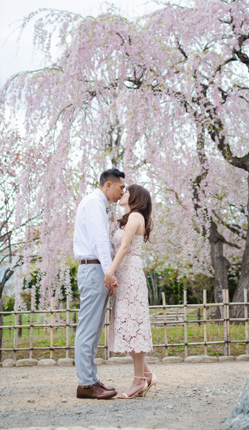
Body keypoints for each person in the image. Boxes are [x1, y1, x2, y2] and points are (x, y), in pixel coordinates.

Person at [74, 168, 125, 399]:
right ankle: (85, 384)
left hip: (94, 267)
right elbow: (99, 240)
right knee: (88, 328)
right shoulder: (94, 203)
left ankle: (91, 379)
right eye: (120, 187)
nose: (122, 191)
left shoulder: (95, 203)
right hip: (94, 267)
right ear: (108, 185)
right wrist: (109, 270)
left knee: (94, 327)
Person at [105, 184, 157, 399]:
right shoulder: (130, 218)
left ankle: (139, 380)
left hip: (131, 274)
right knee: (128, 323)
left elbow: (124, 247)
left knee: (134, 322)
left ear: (135, 197)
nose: (122, 193)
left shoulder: (136, 216)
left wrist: (110, 271)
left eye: (126, 191)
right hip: (125, 274)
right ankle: (146, 375)